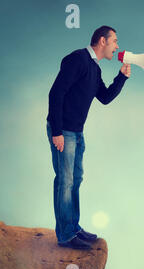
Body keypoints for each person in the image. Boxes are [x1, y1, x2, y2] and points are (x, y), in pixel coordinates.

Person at [46, 25, 131, 249]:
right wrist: (57, 131)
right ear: (102, 41)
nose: (117, 46)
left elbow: (104, 97)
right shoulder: (78, 59)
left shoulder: (95, 69)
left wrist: (121, 78)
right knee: (65, 182)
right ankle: (65, 235)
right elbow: (56, 93)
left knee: (75, 180)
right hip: (63, 130)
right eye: (115, 41)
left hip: (76, 132)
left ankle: (73, 227)